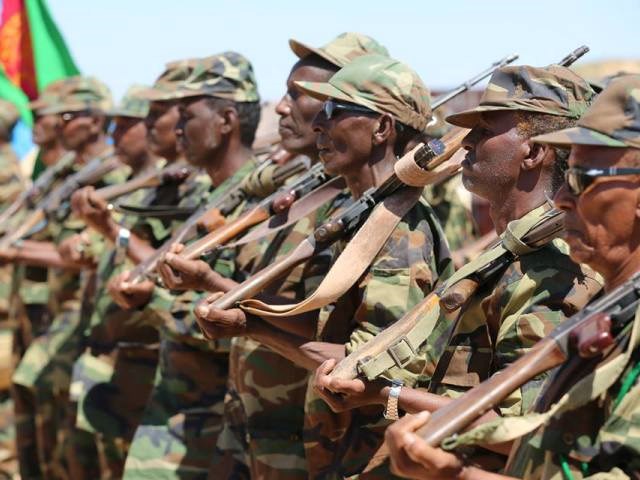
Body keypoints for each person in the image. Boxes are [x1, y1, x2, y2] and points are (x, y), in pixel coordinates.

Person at [311, 64, 604, 475]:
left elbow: (522, 432)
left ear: (534, 152)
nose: (467, 142)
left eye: (485, 131)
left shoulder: (548, 272)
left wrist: (388, 394)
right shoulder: (506, 256)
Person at [194, 53, 452, 478]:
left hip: (367, 458)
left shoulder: (401, 230)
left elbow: (365, 367)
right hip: (334, 450)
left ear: (382, 128)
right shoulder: (364, 215)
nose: (318, 124)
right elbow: (328, 331)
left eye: (335, 110)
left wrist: (251, 325)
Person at [385, 73, 640, 480]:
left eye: (584, 180)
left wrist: (457, 473)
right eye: (568, 179)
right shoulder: (616, 312)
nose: (562, 199)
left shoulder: (553, 274)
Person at [105, 52, 264, 479]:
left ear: (226, 120)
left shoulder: (258, 208)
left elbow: (241, 324)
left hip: (212, 422)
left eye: (187, 117)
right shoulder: (215, 197)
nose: (177, 129)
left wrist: (149, 301)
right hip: (181, 411)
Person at [3, 76, 128, 479]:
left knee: (74, 430)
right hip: (53, 310)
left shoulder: (115, 177)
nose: (55, 124)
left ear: (95, 121)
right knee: (43, 418)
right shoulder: (65, 173)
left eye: (66, 116)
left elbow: (88, 253)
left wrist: (14, 250)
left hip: (84, 317)